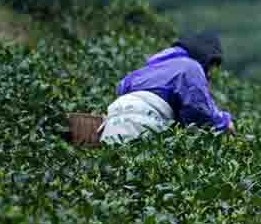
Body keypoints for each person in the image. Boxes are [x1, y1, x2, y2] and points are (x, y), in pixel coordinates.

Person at [100, 31, 235, 144]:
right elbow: (200, 110)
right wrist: (224, 122)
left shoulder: (151, 68)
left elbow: (122, 87)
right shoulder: (190, 67)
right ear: (206, 57)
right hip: (143, 123)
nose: (210, 73)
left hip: (114, 119)